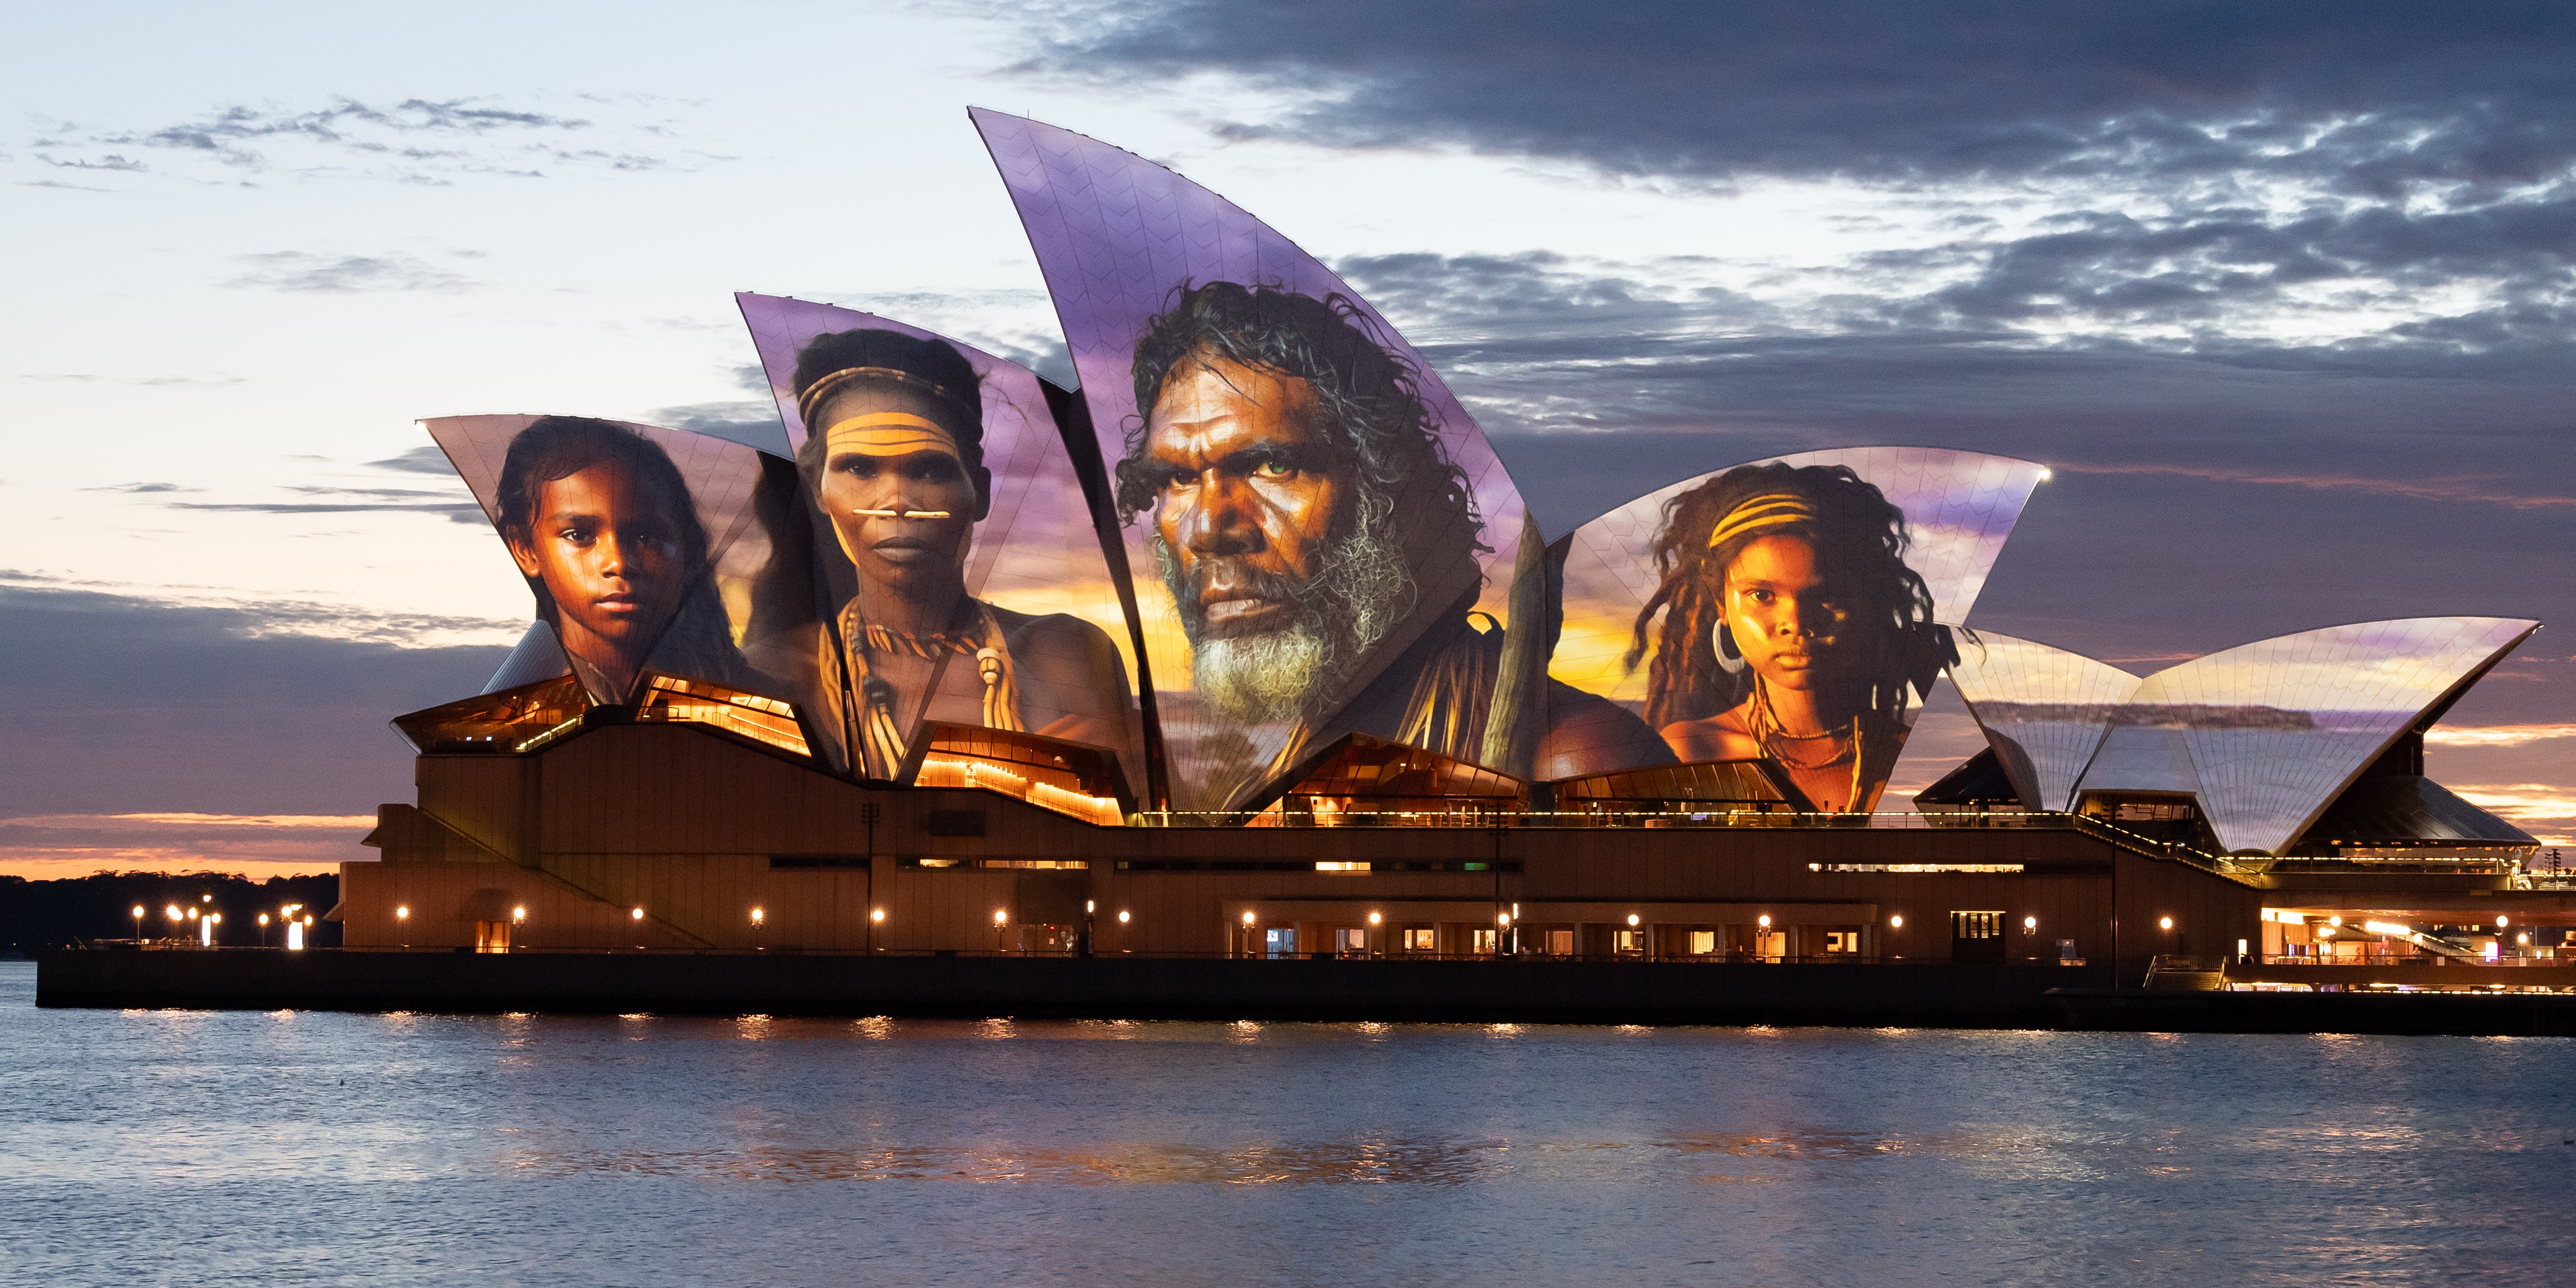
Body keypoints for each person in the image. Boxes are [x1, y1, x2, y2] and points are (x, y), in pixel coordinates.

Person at [1112, 280, 1665, 792]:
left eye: (1272, 465)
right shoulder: (1284, 777)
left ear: (1384, 488)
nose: (1208, 528)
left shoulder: (1576, 760)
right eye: (1180, 477)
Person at [779, 328, 1142, 787]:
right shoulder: (777, 678)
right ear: (820, 492)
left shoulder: (1070, 657)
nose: (896, 501)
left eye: (931, 468)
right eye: (860, 468)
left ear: (981, 493)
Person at [1626, 462, 1956, 812]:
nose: (1797, 622)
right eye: (1763, 596)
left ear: (1865, 602)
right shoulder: (1692, 753)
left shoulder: (1910, 758)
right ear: (1722, 604)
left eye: (1828, 596)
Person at [493, 416, 742, 705]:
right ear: (526, 549)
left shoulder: (761, 704)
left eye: (646, 537)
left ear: (688, 554)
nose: (619, 563)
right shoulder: (515, 712)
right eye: (578, 535)